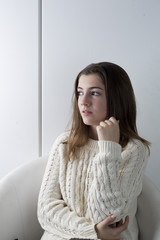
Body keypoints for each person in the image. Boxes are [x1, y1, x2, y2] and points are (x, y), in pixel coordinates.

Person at [38, 62, 150, 240]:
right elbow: (45, 210)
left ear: (117, 98)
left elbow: (107, 217)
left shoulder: (134, 150)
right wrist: (93, 232)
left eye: (95, 93)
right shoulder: (65, 143)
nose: (83, 101)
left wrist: (108, 149)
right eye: (80, 92)